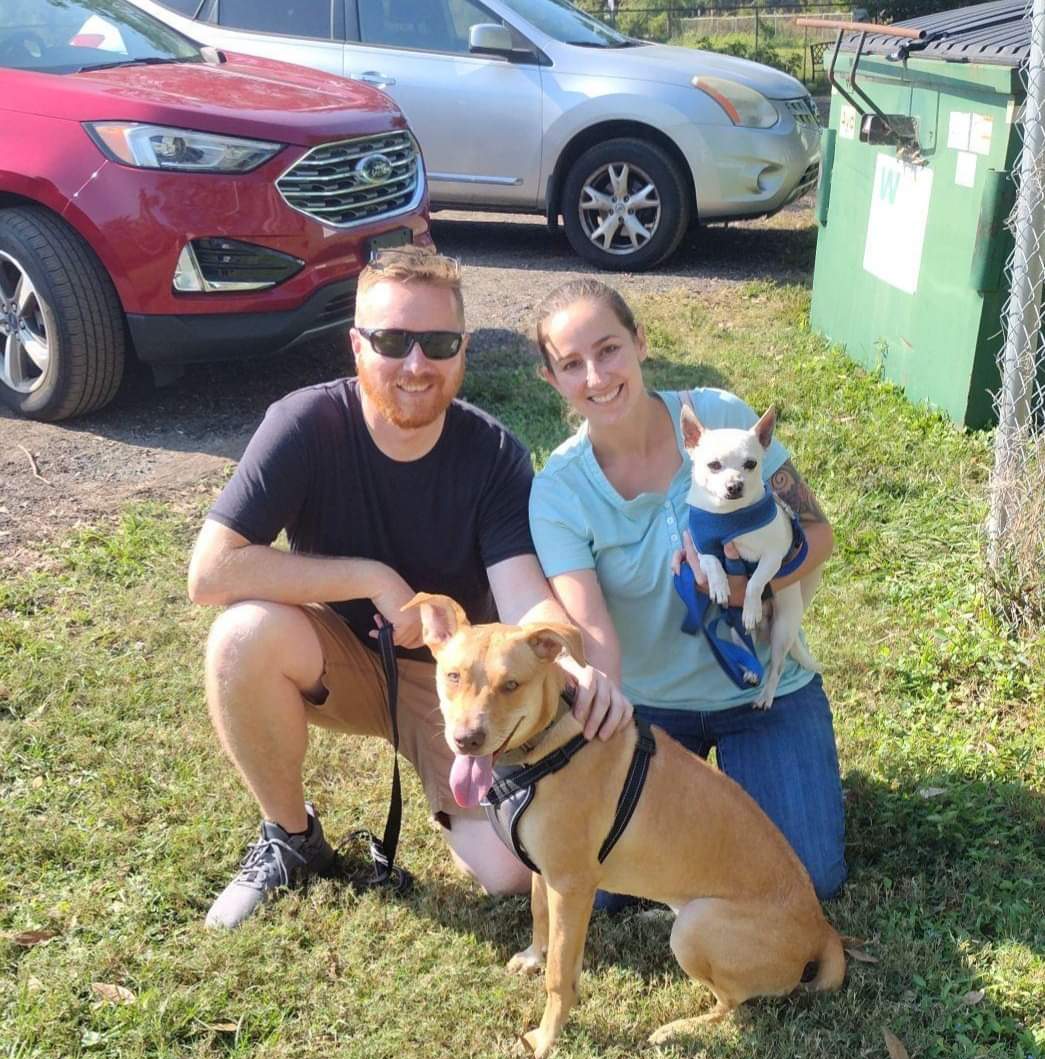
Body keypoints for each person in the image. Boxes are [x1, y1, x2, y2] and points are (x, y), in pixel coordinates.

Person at [188, 248, 631, 930]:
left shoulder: (494, 454)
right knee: (242, 635)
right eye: (392, 341)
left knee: (512, 873)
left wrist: (571, 659)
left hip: (457, 681)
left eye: (438, 343)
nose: (416, 365)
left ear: (462, 351)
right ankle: (290, 837)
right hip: (334, 653)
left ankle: (457, 806)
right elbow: (210, 572)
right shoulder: (303, 424)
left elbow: (520, 595)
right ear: (356, 344)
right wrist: (371, 578)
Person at [529, 279, 847, 906]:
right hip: (650, 711)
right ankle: (701, 805)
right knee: (605, 894)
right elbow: (592, 630)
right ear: (552, 379)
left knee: (812, 878)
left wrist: (741, 587)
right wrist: (609, 718)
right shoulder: (559, 491)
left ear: (641, 342)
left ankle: (756, 782)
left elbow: (817, 533)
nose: (596, 375)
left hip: (762, 692)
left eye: (609, 349)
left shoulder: (721, 418)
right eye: (572, 364)